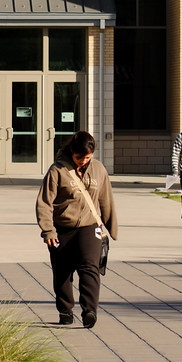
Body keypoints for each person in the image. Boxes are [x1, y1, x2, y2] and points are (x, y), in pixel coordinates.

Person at [36, 130, 118, 328]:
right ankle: (65, 310)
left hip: (89, 226)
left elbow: (106, 199)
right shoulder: (57, 171)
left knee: (89, 266)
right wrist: (48, 231)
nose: (83, 161)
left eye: (87, 157)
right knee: (62, 271)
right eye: (79, 157)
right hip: (62, 228)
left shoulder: (98, 169)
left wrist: (111, 228)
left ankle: (89, 310)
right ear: (71, 152)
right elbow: (44, 203)